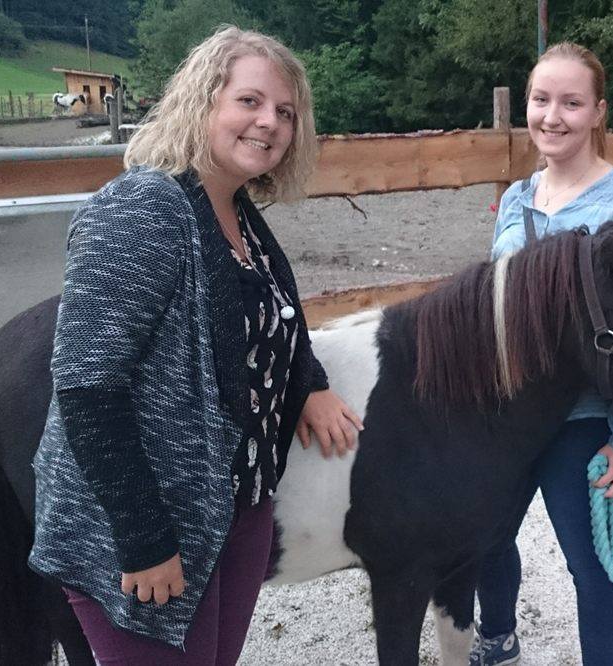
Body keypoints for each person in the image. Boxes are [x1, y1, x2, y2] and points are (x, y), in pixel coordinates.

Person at [28, 26, 363, 664]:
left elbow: (272, 319)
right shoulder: (142, 209)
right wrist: (144, 539)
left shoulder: (238, 214)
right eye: (250, 101)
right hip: (150, 523)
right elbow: (87, 388)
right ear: (202, 100)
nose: (269, 122)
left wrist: (309, 383)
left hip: (233, 512)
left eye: (286, 112)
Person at [470, 42, 613, 666]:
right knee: (486, 538)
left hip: (584, 420)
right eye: (541, 100)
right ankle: (497, 638)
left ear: (598, 112)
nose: (552, 116)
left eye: (571, 103)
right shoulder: (515, 199)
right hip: (508, 415)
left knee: (592, 564)